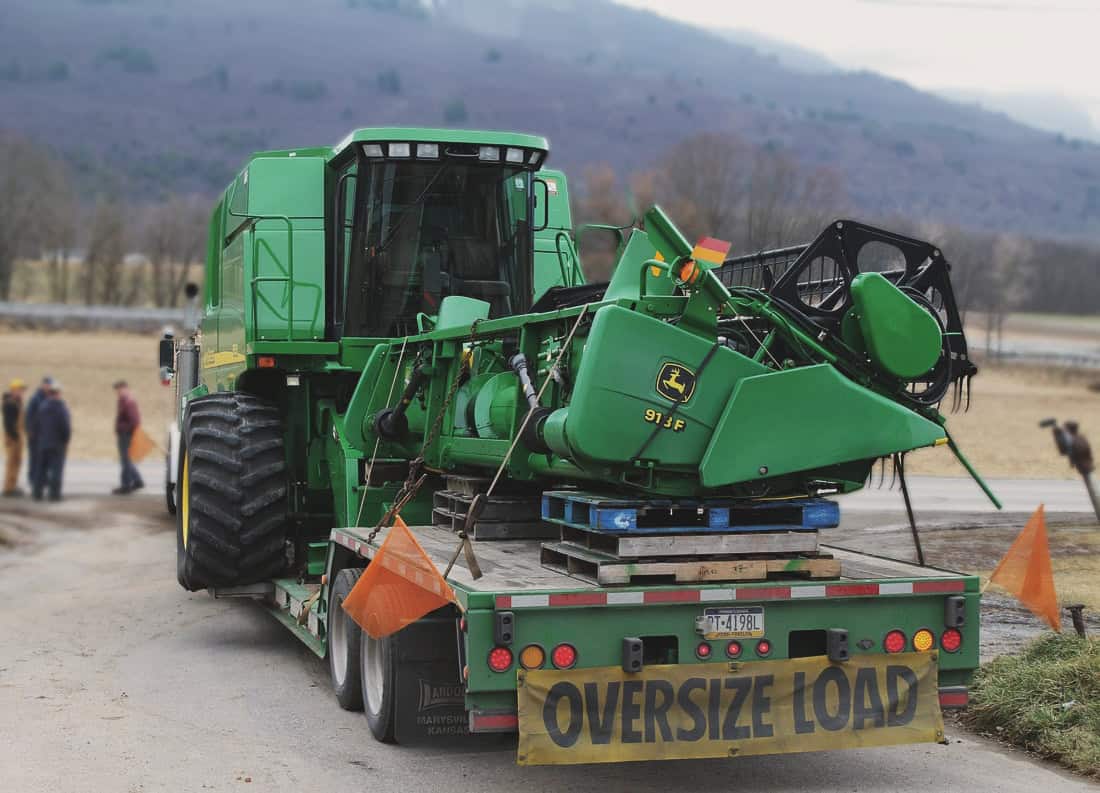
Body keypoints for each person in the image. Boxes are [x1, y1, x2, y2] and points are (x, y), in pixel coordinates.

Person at [30, 381, 70, 502]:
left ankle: (37, 493)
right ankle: (54, 494)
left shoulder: (42, 407)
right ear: (58, 393)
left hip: (42, 443)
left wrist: (38, 440)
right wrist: (65, 440)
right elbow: (65, 427)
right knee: (56, 470)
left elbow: (36, 425)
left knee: (40, 469)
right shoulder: (61, 408)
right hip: (57, 444)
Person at [113, 380, 145, 495]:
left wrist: (125, 429)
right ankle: (137, 481)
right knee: (127, 459)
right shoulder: (124, 401)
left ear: (124, 388)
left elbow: (135, 421)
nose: (117, 392)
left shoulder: (128, 402)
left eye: (119, 389)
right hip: (125, 434)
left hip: (126, 435)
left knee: (125, 460)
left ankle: (126, 485)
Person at [23, 376, 52, 490]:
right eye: (47, 384)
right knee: (34, 457)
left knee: (43, 457)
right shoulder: (36, 398)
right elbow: (28, 415)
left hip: (44, 434)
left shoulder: (48, 397)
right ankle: (32, 479)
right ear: (42, 385)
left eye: (49, 385)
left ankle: (43, 478)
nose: (48, 387)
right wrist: (30, 430)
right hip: (35, 433)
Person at [2, 378, 26, 497]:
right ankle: (8, 488)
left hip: (18, 437)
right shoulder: (9, 404)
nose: (22, 392)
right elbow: (8, 424)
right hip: (12, 438)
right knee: (12, 462)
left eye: (22, 390)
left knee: (18, 462)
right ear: (13, 390)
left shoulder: (17, 402)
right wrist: (15, 437)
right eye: (20, 390)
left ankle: (14, 484)